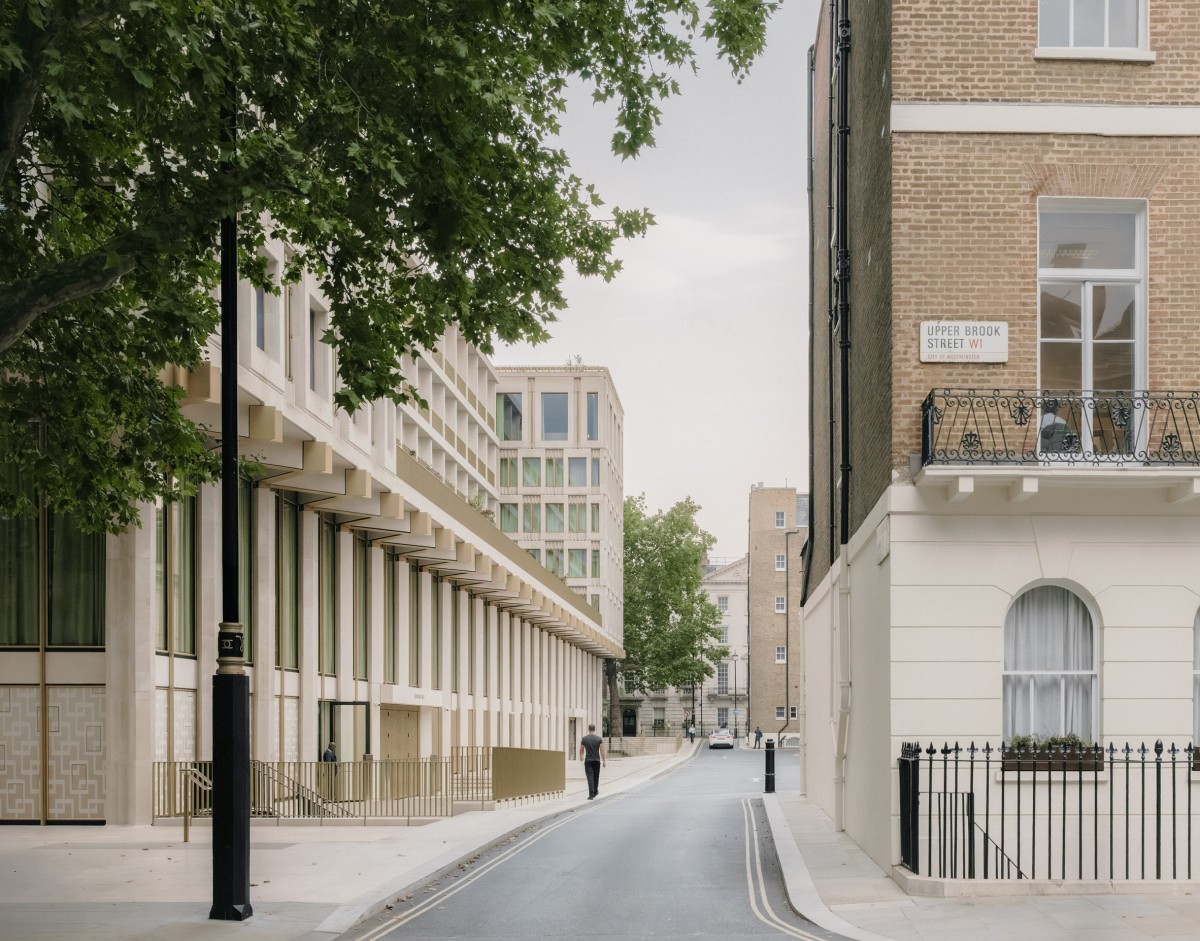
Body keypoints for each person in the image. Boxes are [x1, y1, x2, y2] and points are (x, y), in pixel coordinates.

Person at [578, 724, 606, 800]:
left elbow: (581, 749)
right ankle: (595, 791)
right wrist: (604, 761)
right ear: (594, 729)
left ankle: (591, 794)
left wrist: (581, 756)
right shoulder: (599, 739)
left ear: (588, 729)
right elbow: (602, 750)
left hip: (588, 761)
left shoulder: (584, 739)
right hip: (596, 761)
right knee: (596, 777)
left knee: (590, 777)